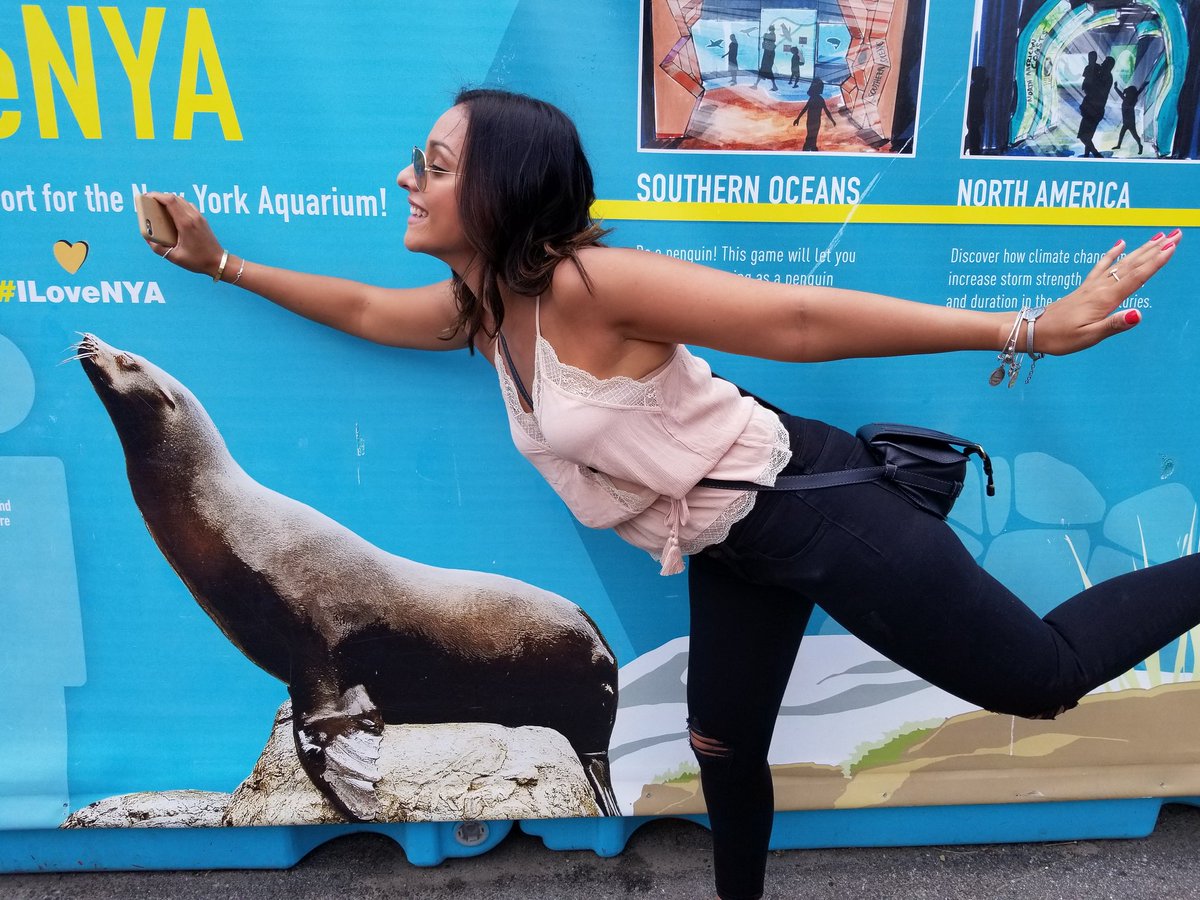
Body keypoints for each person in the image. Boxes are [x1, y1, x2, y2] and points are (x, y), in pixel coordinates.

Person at [145, 88, 1190, 900]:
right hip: (730, 535)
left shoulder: (592, 289)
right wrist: (221, 263)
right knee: (724, 741)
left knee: (1039, 678)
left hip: (813, 506)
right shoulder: (486, 304)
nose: (407, 179)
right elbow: (375, 309)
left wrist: (1026, 329)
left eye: (435, 164)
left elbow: (799, 324)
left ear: (502, 187)